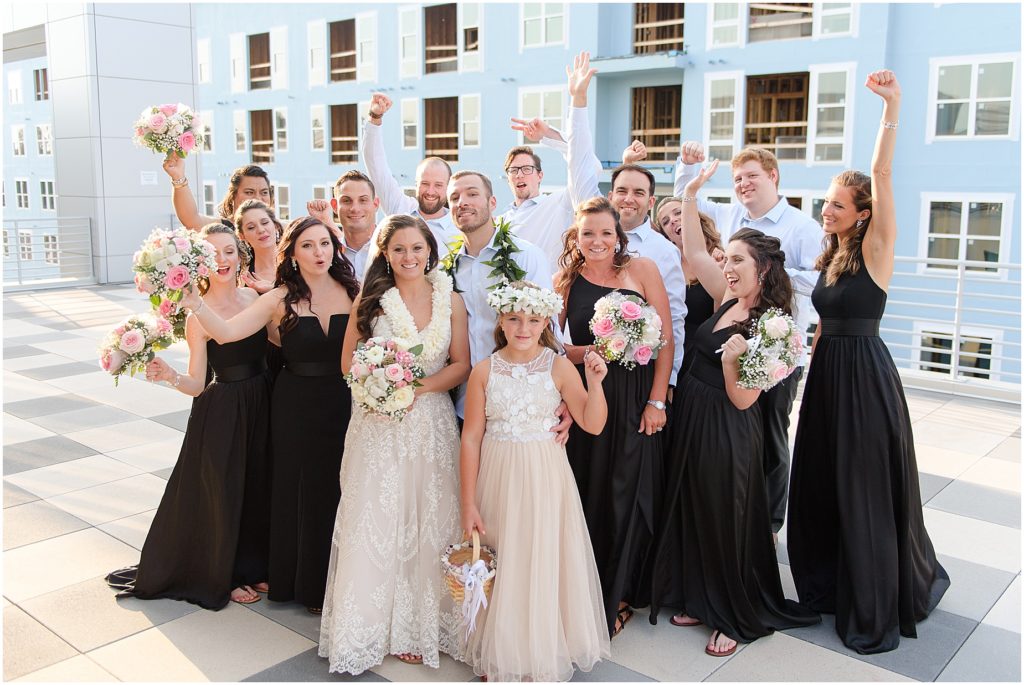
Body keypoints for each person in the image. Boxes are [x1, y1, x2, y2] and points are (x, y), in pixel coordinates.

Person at [787, 70, 949, 655]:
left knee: (861, 485)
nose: (825, 210)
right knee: (825, 478)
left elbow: (880, 174)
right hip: (829, 373)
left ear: (861, 212)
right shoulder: (831, 256)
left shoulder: (877, 249)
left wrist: (892, 108)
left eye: (835, 204)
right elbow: (826, 318)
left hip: (864, 378)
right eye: (825, 202)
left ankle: (872, 596)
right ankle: (826, 584)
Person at [649, 160, 820, 656]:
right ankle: (700, 597)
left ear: (762, 268)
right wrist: (692, 191)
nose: (727, 266)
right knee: (694, 506)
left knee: (727, 514)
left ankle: (733, 614)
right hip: (694, 418)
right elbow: (695, 247)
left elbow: (744, 396)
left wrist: (734, 359)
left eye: (738, 261)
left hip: (728, 426)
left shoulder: (776, 326)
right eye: (728, 261)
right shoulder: (726, 296)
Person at [179, 216, 360, 614]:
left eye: (325, 243)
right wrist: (195, 304)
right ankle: (305, 585)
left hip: (345, 403)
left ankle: (345, 578)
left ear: (335, 248)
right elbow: (226, 332)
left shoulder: (355, 291)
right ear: (292, 254)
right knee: (301, 491)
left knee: (341, 488)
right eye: (308, 245)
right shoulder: (278, 299)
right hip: (294, 405)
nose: (319, 252)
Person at [319, 214, 470, 674]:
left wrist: (416, 389)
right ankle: (369, 625)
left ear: (430, 251)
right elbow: (349, 363)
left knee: (429, 520)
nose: (409, 257)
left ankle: (421, 625)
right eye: (400, 249)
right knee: (378, 517)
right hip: (378, 425)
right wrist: (384, 388)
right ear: (386, 253)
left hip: (431, 424)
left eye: (417, 248)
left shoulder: (453, 301)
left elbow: (461, 364)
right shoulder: (372, 302)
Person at [105, 223, 272, 609]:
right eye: (213, 254)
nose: (223, 260)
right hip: (225, 409)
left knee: (258, 485)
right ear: (201, 263)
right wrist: (170, 376)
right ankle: (225, 574)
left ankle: (253, 564)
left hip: (263, 399)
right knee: (225, 493)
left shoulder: (253, 296)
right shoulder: (197, 316)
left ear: (239, 254)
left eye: (229, 251)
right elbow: (198, 382)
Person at [460, 281, 611, 681]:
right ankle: (499, 649)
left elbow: (592, 424)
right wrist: (468, 501)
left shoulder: (558, 366)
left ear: (545, 321)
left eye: (532, 319)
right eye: (513, 319)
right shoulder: (484, 371)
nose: (523, 328)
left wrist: (595, 384)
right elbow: (472, 436)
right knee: (504, 557)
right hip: (499, 474)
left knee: (541, 554)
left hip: (545, 475)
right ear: (501, 321)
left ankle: (540, 646)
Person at [673, 142, 823, 537]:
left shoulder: (802, 227)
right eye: (737, 178)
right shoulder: (731, 225)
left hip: (772, 356)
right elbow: (694, 244)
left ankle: (767, 524)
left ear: (773, 176)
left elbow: (824, 282)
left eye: (751, 176)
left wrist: (776, 275)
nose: (743, 184)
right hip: (705, 407)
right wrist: (689, 186)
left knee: (769, 441)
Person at [556, 196, 674, 637]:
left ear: (618, 236)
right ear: (577, 236)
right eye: (588, 233)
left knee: (629, 492)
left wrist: (657, 401)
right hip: (592, 393)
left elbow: (665, 339)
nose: (597, 241)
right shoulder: (566, 280)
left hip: (638, 395)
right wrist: (592, 351)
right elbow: (554, 344)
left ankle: (621, 593)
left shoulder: (641, 270)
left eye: (606, 232)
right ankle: (586, 586)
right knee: (592, 489)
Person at [443, 171, 554, 412]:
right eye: (454, 197)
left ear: (492, 203)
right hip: (462, 402)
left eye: (472, 194)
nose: (462, 202)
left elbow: (548, 326)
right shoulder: (446, 270)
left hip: (521, 398)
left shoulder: (525, 255)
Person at [499, 51, 603, 270]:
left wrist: (550, 136)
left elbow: (587, 167)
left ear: (540, 175)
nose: (519, 174)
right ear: (507, 178)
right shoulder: (499, 221)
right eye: (513, 170)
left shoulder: (559, 203)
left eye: (526, 168)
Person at [362, 94, 461, 251]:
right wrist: (375, 118)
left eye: (438, 185)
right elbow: (375, 163)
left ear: (449, 188)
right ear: (416, 184)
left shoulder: (459, 227)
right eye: (424, 183)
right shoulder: (400, 208)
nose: (430, 191)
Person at [654, 196, 724, 371]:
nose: (673, 220)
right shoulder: (665, 268)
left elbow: (723, 318)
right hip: (672, 354)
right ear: (667, 236)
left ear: (695, 218)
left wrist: (717, 273)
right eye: (665, 221)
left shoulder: (723, 260)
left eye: (678, 212)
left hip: (707, 357)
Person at [306, 170, 381, 280]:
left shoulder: (391, 248)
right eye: (346, 201)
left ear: (375, 204)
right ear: (335, 206)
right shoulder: (327, 254)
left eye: (363, 200)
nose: (355, 208)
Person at [163, 157, 273, 231]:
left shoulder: (281, 228)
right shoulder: (222, 228)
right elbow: (191, 219)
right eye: (249, 192)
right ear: (232, 196)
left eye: (264, 192)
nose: (258, 198)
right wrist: (178, 177)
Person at [232, 199, 283, 294]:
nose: (260, 230)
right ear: (242, 236)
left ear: (275, 225)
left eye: (265, 223)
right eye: (251, 227)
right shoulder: (242, 277)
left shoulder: (297, 263)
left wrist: (273, 290)